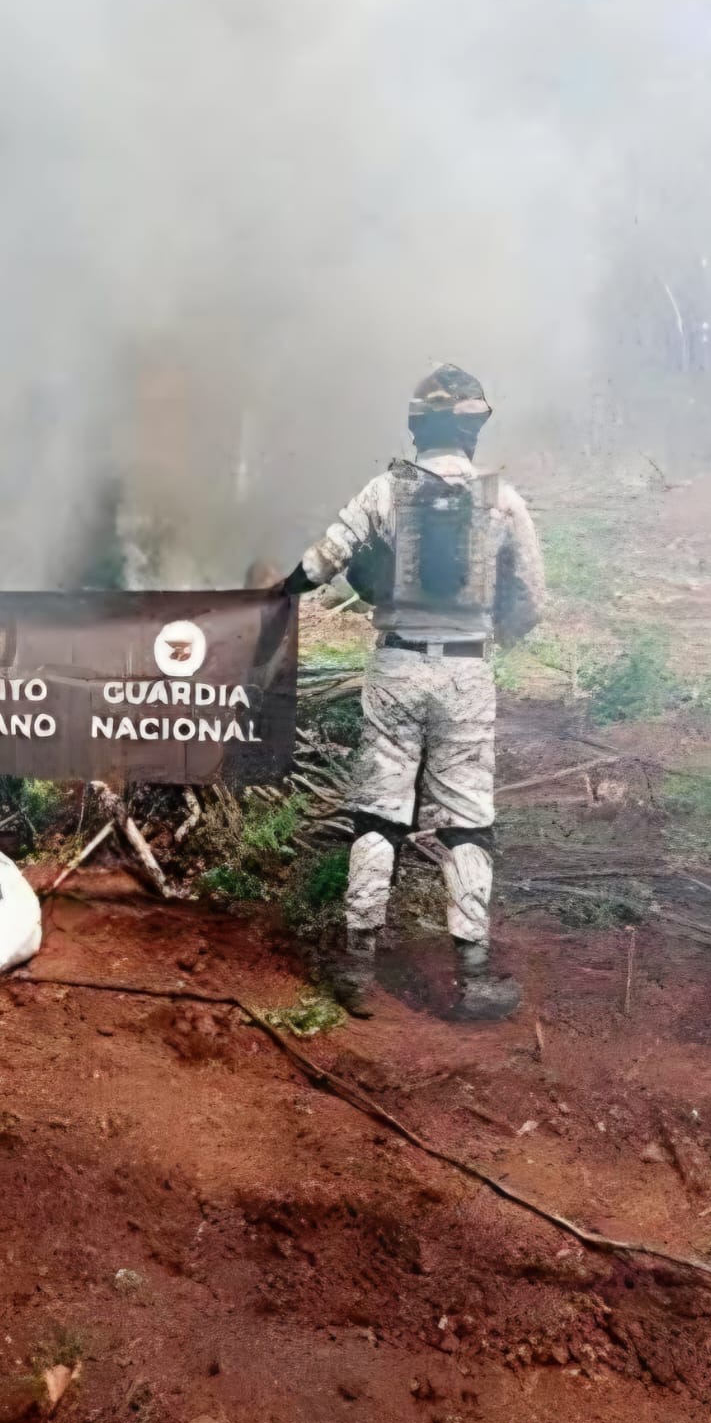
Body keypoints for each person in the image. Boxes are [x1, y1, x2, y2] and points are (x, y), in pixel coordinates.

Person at [282, 365, 545, 1020]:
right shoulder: (502, 501)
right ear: (472, 428)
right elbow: (531, 600)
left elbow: (318, 564)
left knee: (377, 812)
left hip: (394, 668)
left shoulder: (383, 490)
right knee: (467, 820)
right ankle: (472, 976)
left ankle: (356, 966)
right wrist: (492, 636)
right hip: (466, 672)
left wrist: (269, 600)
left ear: (416, 426)